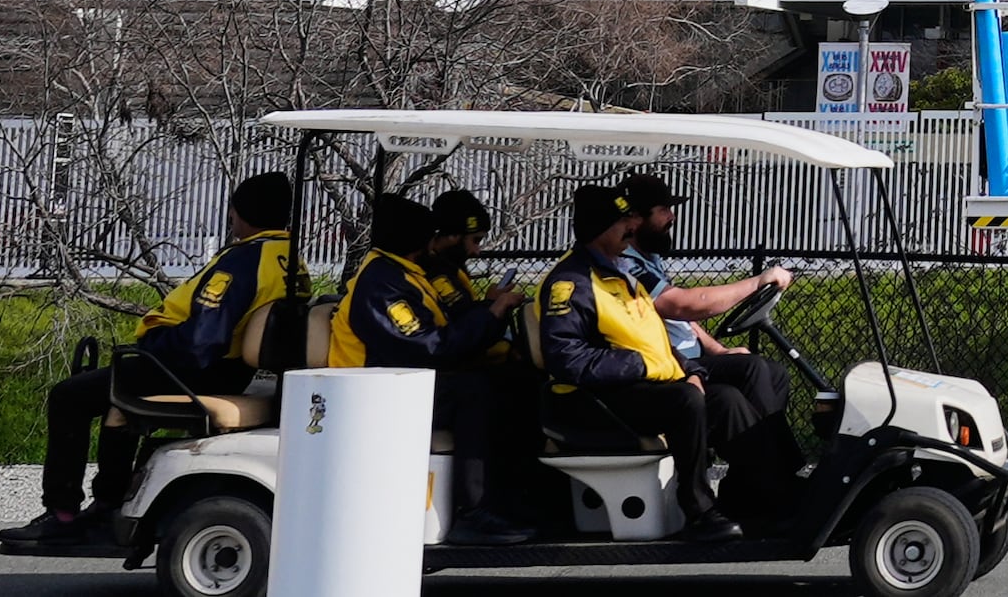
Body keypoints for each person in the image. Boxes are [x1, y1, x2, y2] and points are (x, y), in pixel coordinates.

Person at [18, 169, 297, 550]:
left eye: (233, 211)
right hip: (234, 372)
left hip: (198, 370)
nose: (231, 218)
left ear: (242, 213)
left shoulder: (243, 262)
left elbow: (202, 340)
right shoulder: (288, 257)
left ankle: (62, 512)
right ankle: (106, 503)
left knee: (70, 395)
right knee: (117, 403)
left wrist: (152, 349)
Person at [534, 177, 802, 531]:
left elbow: (654, 338)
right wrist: (645, 365)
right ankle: (700, 511)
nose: (632, 228)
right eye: (622, 223)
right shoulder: (572, 283)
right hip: (595, 400)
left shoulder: (618, 274)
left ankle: (774, 498)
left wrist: (691, 369)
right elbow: (566, 358)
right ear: (600, 229)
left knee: (726, 399)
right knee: (686, 400)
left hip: (635, 386)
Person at [326, 190, 539, 543]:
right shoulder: (382, 285)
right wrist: (493, 313)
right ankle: (473, 512)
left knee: (511, 381)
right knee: (475, 391)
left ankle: (513, 497)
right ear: (414, 239)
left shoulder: (401, 273)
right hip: (374, 393)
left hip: (399, 383)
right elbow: (429, 347)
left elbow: (441, 335)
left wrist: (489, 320)